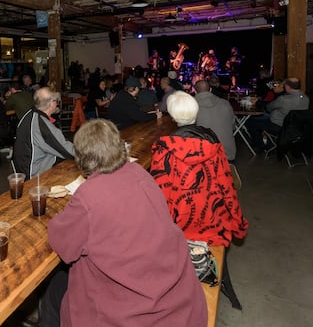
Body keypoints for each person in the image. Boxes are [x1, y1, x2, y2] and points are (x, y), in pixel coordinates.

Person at [40, 119, 208, 327]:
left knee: (55, 289)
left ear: (82, 158)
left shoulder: (89, 196)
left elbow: (64, 246)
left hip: (132, 313)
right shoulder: (141, 174)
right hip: (176, 300)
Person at [150, 91, 248, 305]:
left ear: (174, 117)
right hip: (213, 221)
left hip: (179, 226)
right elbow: (226, 186)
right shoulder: (214, 144)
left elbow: (161, 194)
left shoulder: (163, 148)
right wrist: (238, 223)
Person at [13, 87, 74, 179]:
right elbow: (67, 150)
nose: (57, 104)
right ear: (50, 103)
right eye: (56, 101)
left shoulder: (29, 114)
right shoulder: (42, 125)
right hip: (34, 174)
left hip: (22, 168)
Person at [246, 77, 309, 150]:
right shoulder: (306, 98)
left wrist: (257, 102)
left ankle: (261, 145)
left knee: (250, 122)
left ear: (287, 87)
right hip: (297, 128)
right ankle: (270, 145)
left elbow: (269, 108)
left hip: (280, 127)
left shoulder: (283, 99)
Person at [194, 79, 237, 162]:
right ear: (210, 90)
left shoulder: (191, 106)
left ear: (195, 91)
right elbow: (233, 126)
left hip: (203, 158)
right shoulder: (225, 103)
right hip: (227, 155)